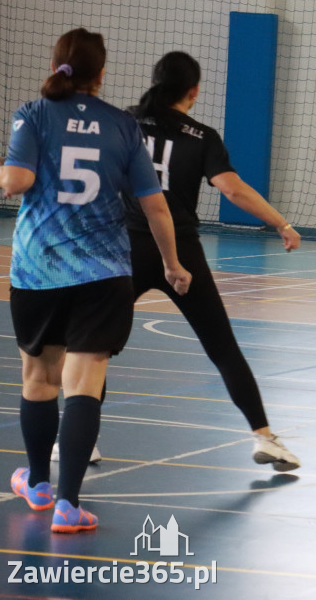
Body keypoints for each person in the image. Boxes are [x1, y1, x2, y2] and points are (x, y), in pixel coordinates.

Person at [3, 28, 192, 533]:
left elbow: (15, 182)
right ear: (101, 74)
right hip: (104, 272)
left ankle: (38, 484)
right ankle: (68, 505)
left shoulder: (32, 115)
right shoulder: (123, 126)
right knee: (84, 384)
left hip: (38, 270)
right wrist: (172, 264)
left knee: (39, 379)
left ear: (57, 64)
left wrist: (6, 176)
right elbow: (155, 205)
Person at [121, 51, 301, 471]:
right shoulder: (201, 136)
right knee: (223, 348)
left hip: (126, 247)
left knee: (93, 347)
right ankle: (264, 437)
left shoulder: (125, 122)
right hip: (182, 252)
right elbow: (233, 190)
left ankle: (73, 441)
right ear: (193, 91)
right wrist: (281, 223)